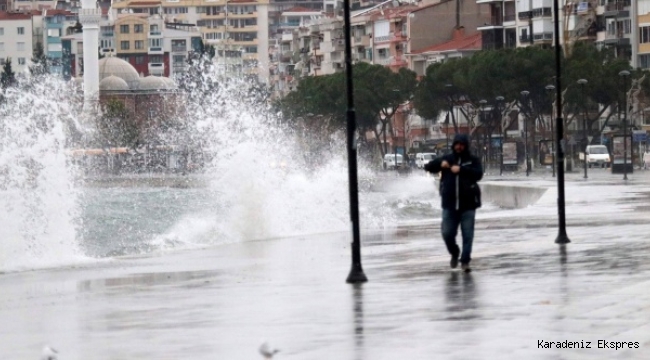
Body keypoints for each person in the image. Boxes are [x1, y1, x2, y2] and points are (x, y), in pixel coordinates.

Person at [424, 134, 483, 272]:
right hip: (449, 205)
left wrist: (461, 169)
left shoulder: (472, 160)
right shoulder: (447, 159)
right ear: (453, 145)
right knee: (447, 233)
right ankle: (455, 252)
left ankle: (465, 261)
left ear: (466, 145)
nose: (459, 147)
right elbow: (428, 167)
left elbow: (478, 174)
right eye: (457, 144)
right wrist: (440, 164)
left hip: (468, 205)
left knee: (468, 235)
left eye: (461, 144)